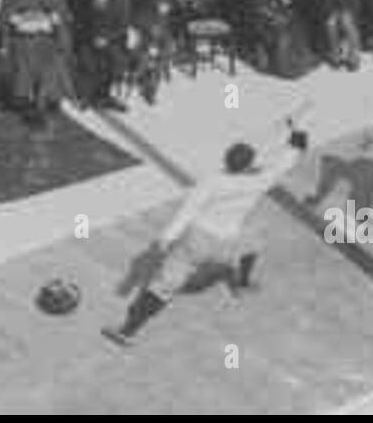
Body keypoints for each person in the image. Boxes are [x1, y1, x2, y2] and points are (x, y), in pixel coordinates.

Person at [103, 123, 310, 346]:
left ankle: (127, 331)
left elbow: (187, 212)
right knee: (252, 242)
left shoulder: (213, 181)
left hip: (197, 240)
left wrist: (165, 240)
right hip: (227, 243)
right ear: (250, 163)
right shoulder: (261, 179)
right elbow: (292, 155)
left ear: (225, 160)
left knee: (163, 287)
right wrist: (298, 128)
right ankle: (241, 283)